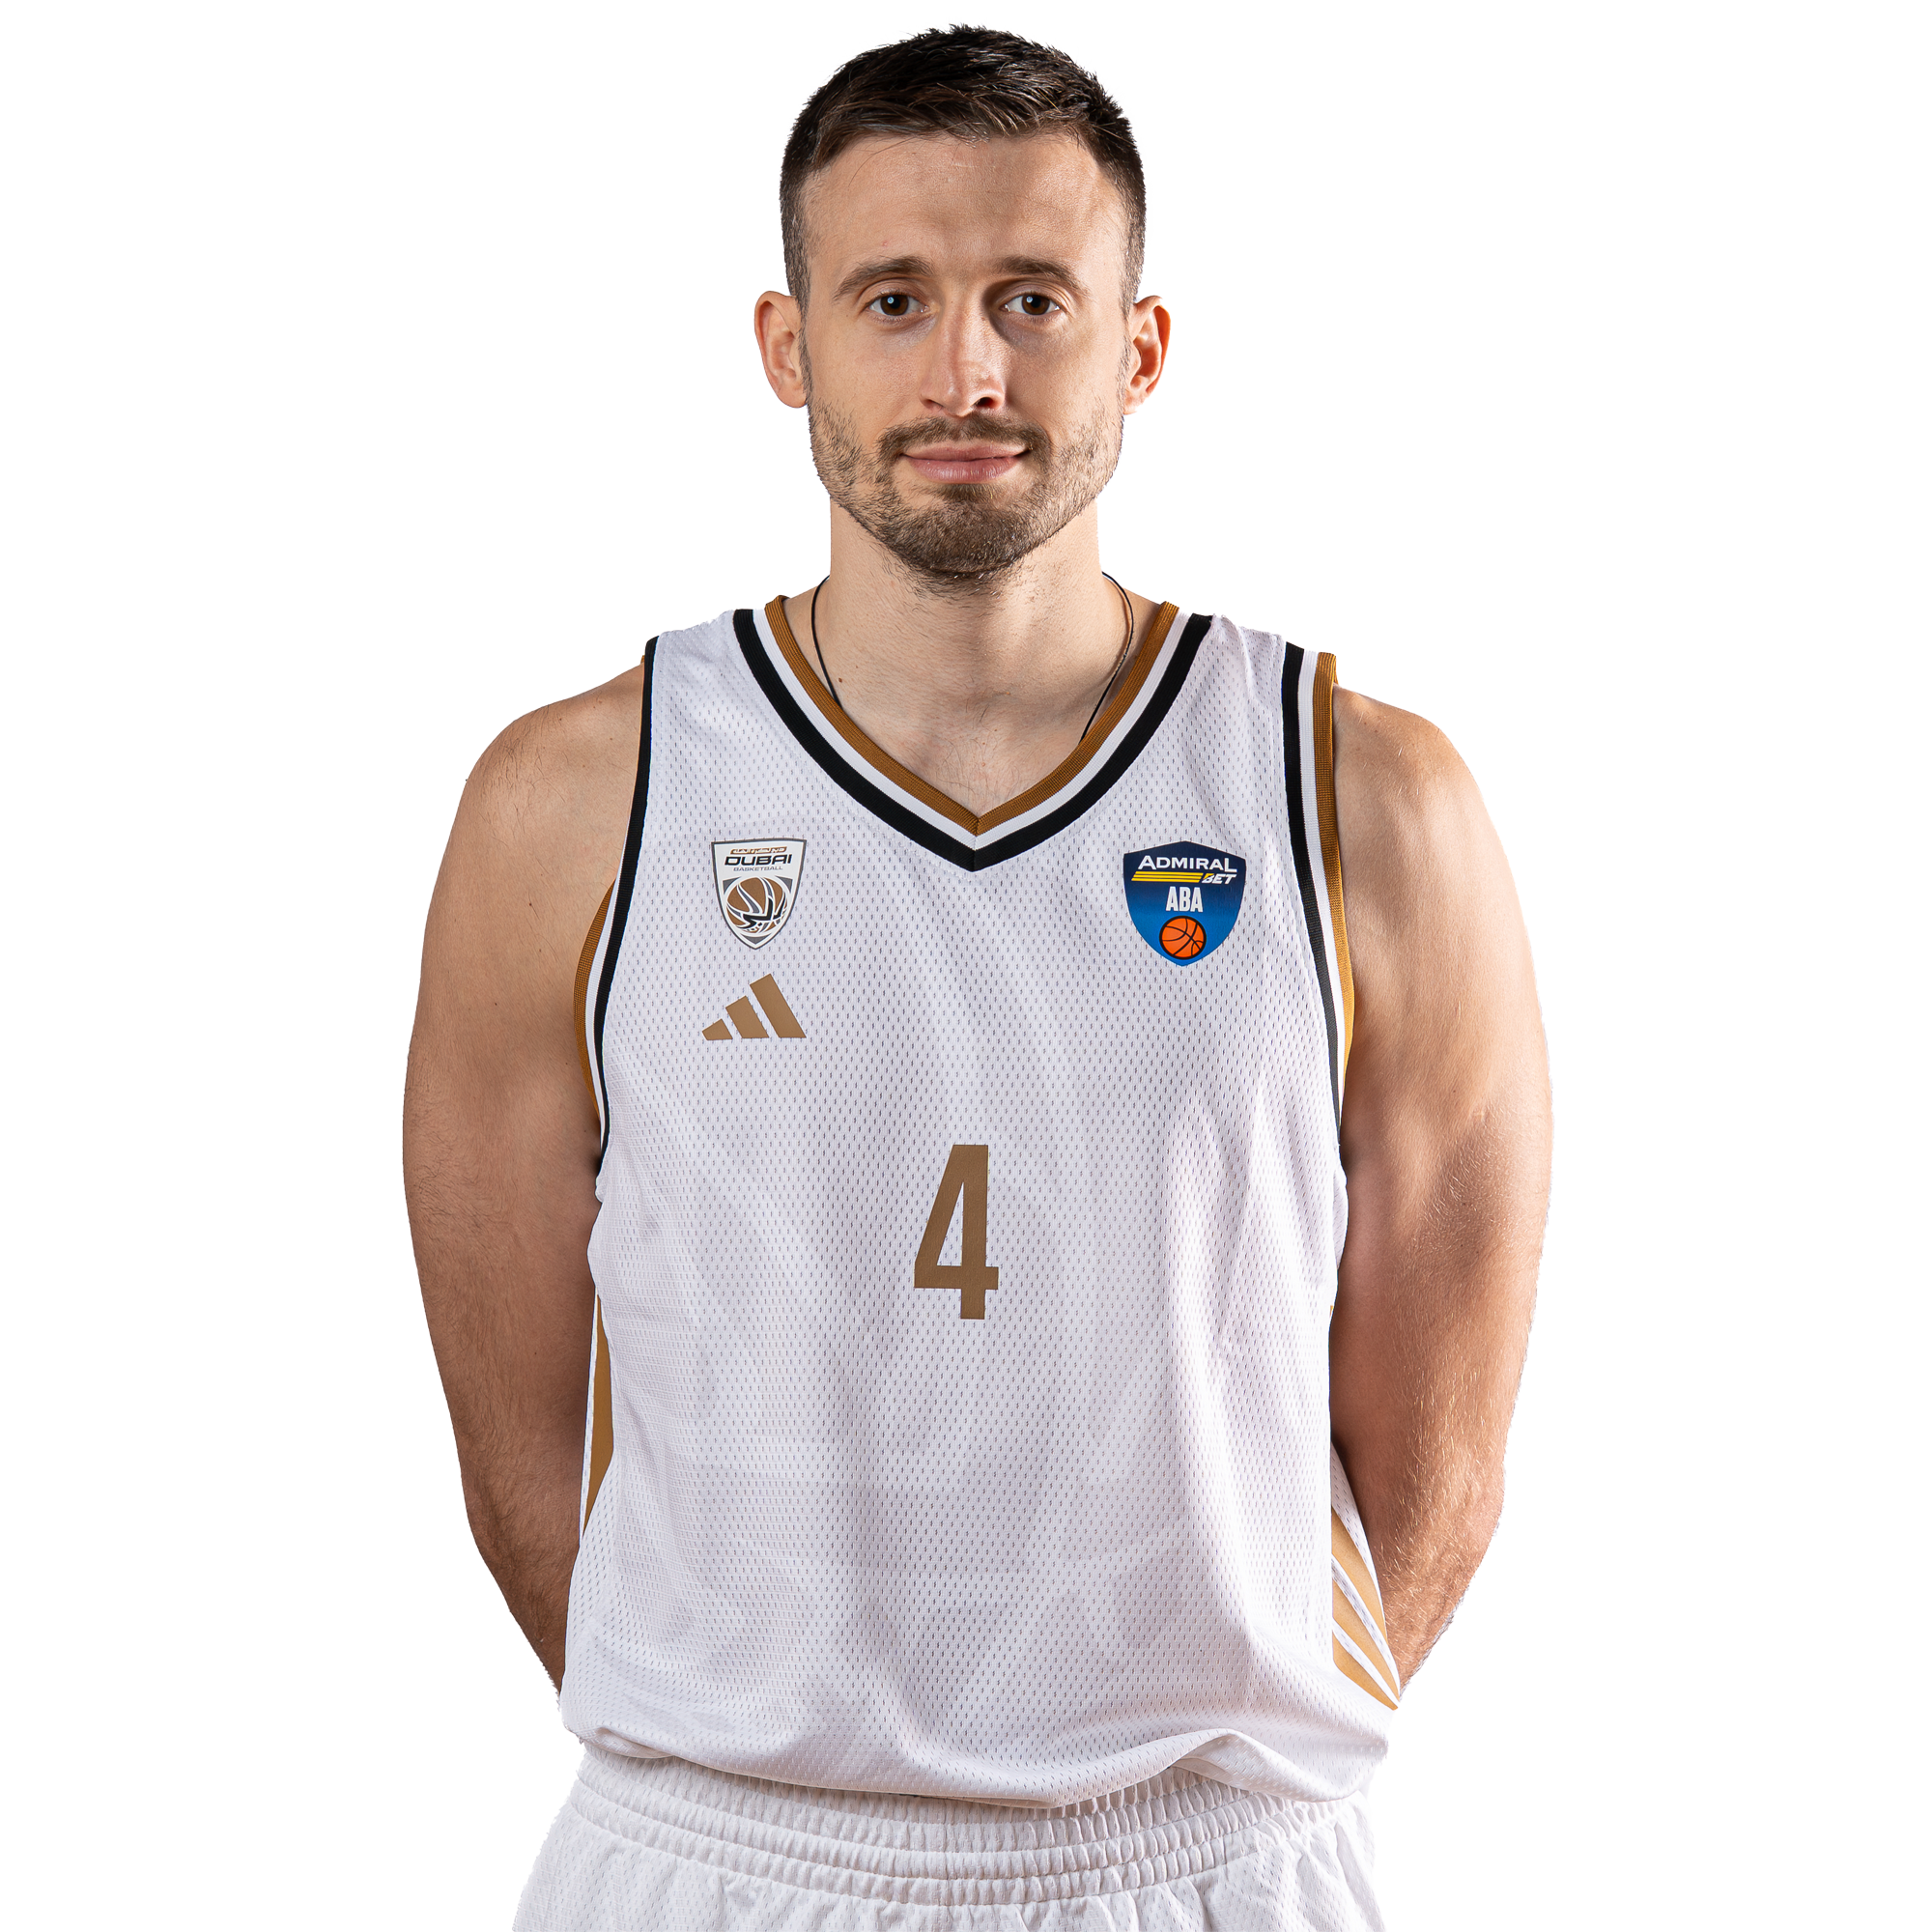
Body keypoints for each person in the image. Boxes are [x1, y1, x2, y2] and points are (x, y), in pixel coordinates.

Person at [405, 24, 1549, 1932]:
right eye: (893, 299)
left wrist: (1192, 1781)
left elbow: (1441, 1460)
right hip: (719, 1859)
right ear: (786, 346)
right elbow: (519, 1443)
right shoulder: (572, 805)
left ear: (1140, 346)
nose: (966, 373)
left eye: (1033, 297)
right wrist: (749, 1753)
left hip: (1201, 1862)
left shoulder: (1364, 802)